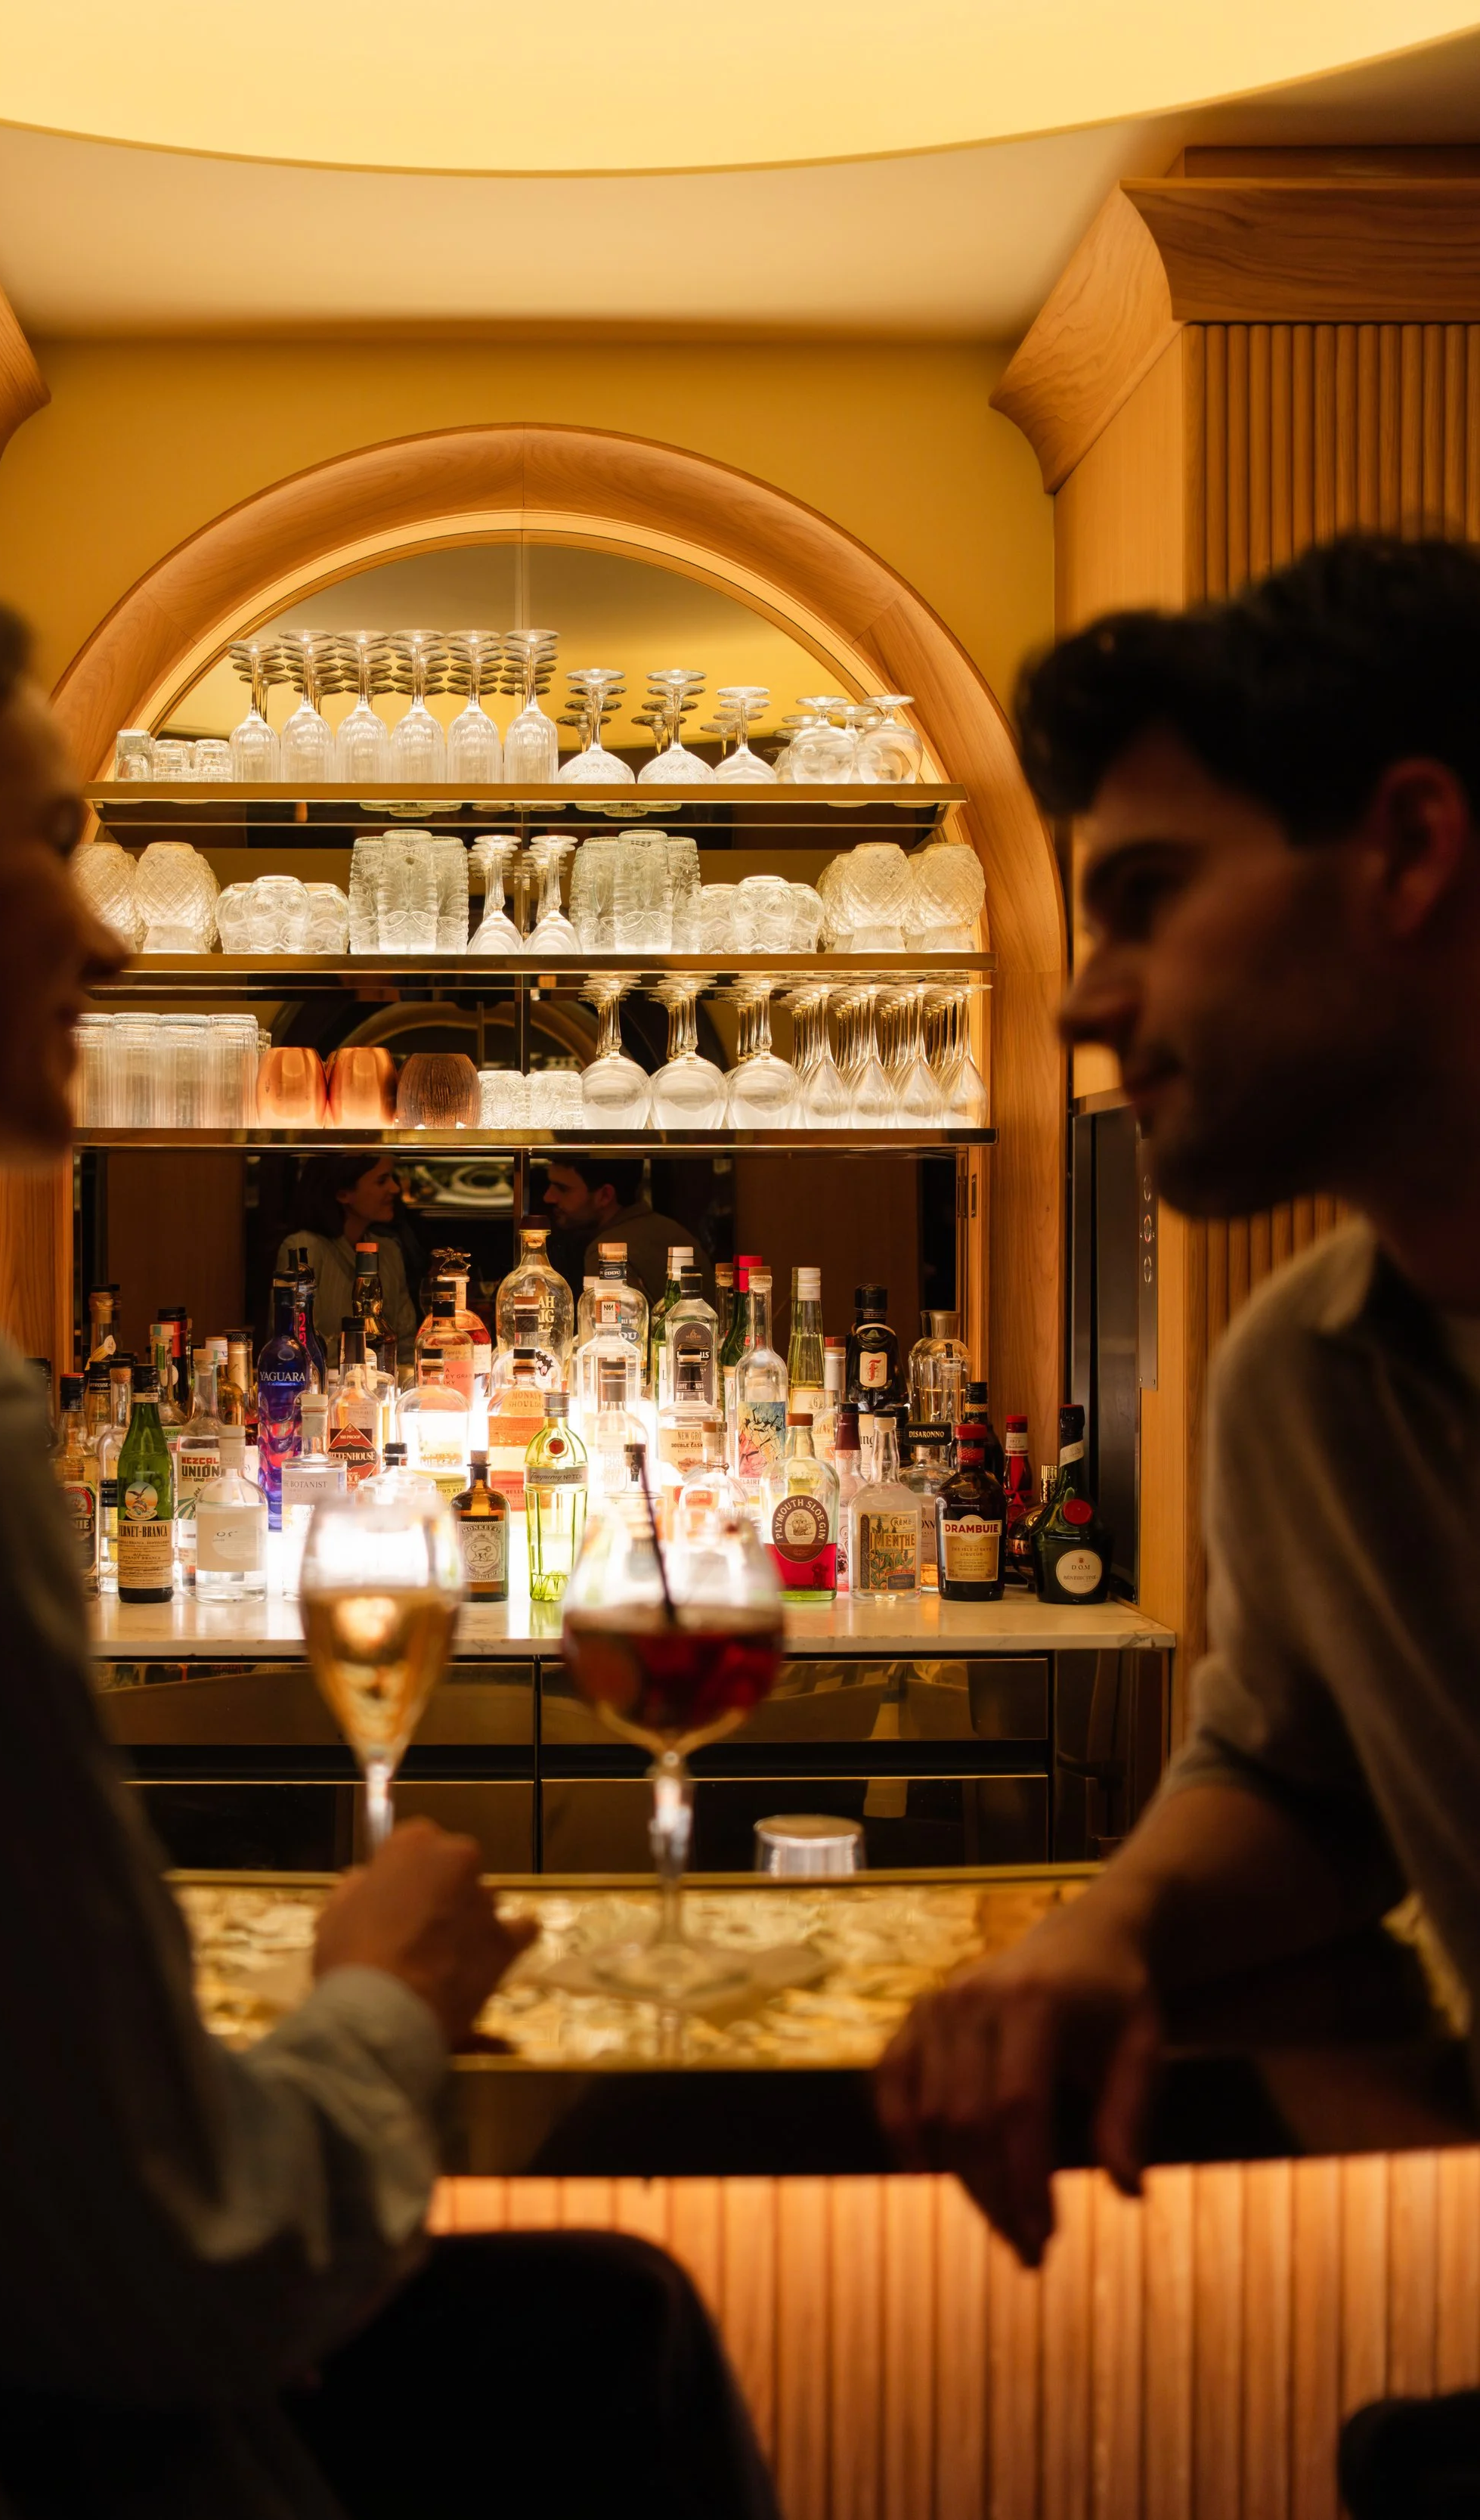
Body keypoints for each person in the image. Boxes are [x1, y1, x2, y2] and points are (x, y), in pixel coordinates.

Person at [0, 532, 781, 2520]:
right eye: (48, 843)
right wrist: (381, 2003)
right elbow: (169, 2260)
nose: (110, 945)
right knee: (608, 2350)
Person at [874, 535, 1480, 2516]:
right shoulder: (1305, 1378)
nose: (1079, 1002)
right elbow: (1294, 1784)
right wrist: (1108, 1923)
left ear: (1405, 851)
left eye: (1144, 895)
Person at [272, 1150, 418, 1346]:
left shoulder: (389, 1251)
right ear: (342, 1194)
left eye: (392, 1178)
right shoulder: (304, 1249)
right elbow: (295, 1343)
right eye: (382, 1181)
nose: (395, 1188)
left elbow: (406, 1340)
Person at [542, 1154, 713, 1304]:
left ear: (605, 1195)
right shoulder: (671, 1229)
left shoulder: (609, 1253)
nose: (548, 1197)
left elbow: (618, 1328)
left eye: (562, 1188)